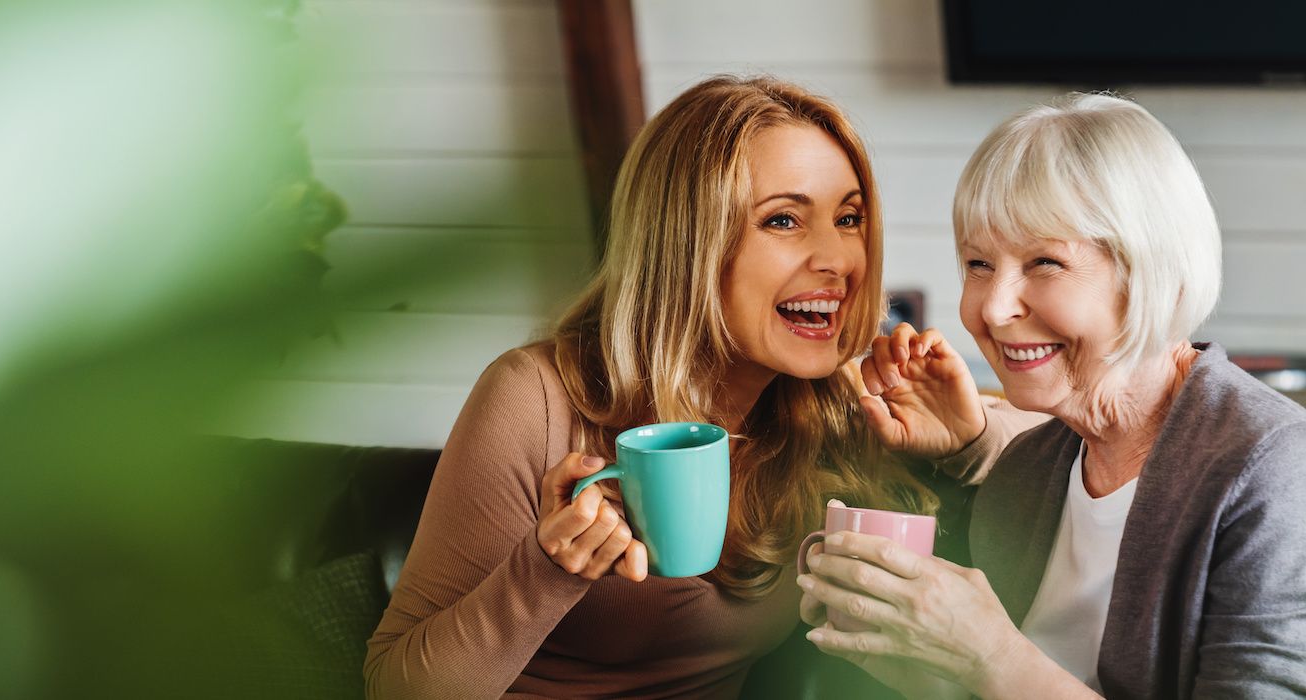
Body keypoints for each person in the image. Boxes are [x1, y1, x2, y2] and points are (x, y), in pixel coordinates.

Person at [364, 76, 1005, 698]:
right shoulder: (537, 396)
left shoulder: (832, 403)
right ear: (688, 243)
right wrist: (546, 571)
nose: (838, 259)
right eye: (783, 221)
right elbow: (395, 687)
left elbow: (1080, 460)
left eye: (849, 218)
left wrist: (968, 437)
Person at [797, 93, 1306, 698]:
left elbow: (1004, 671)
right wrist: (906, 654)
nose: (994, 307)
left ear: (1153, 273)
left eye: (1045, 262)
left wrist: (992, 657)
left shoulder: (1281, 475)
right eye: (978, 264)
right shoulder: (1030, 471)